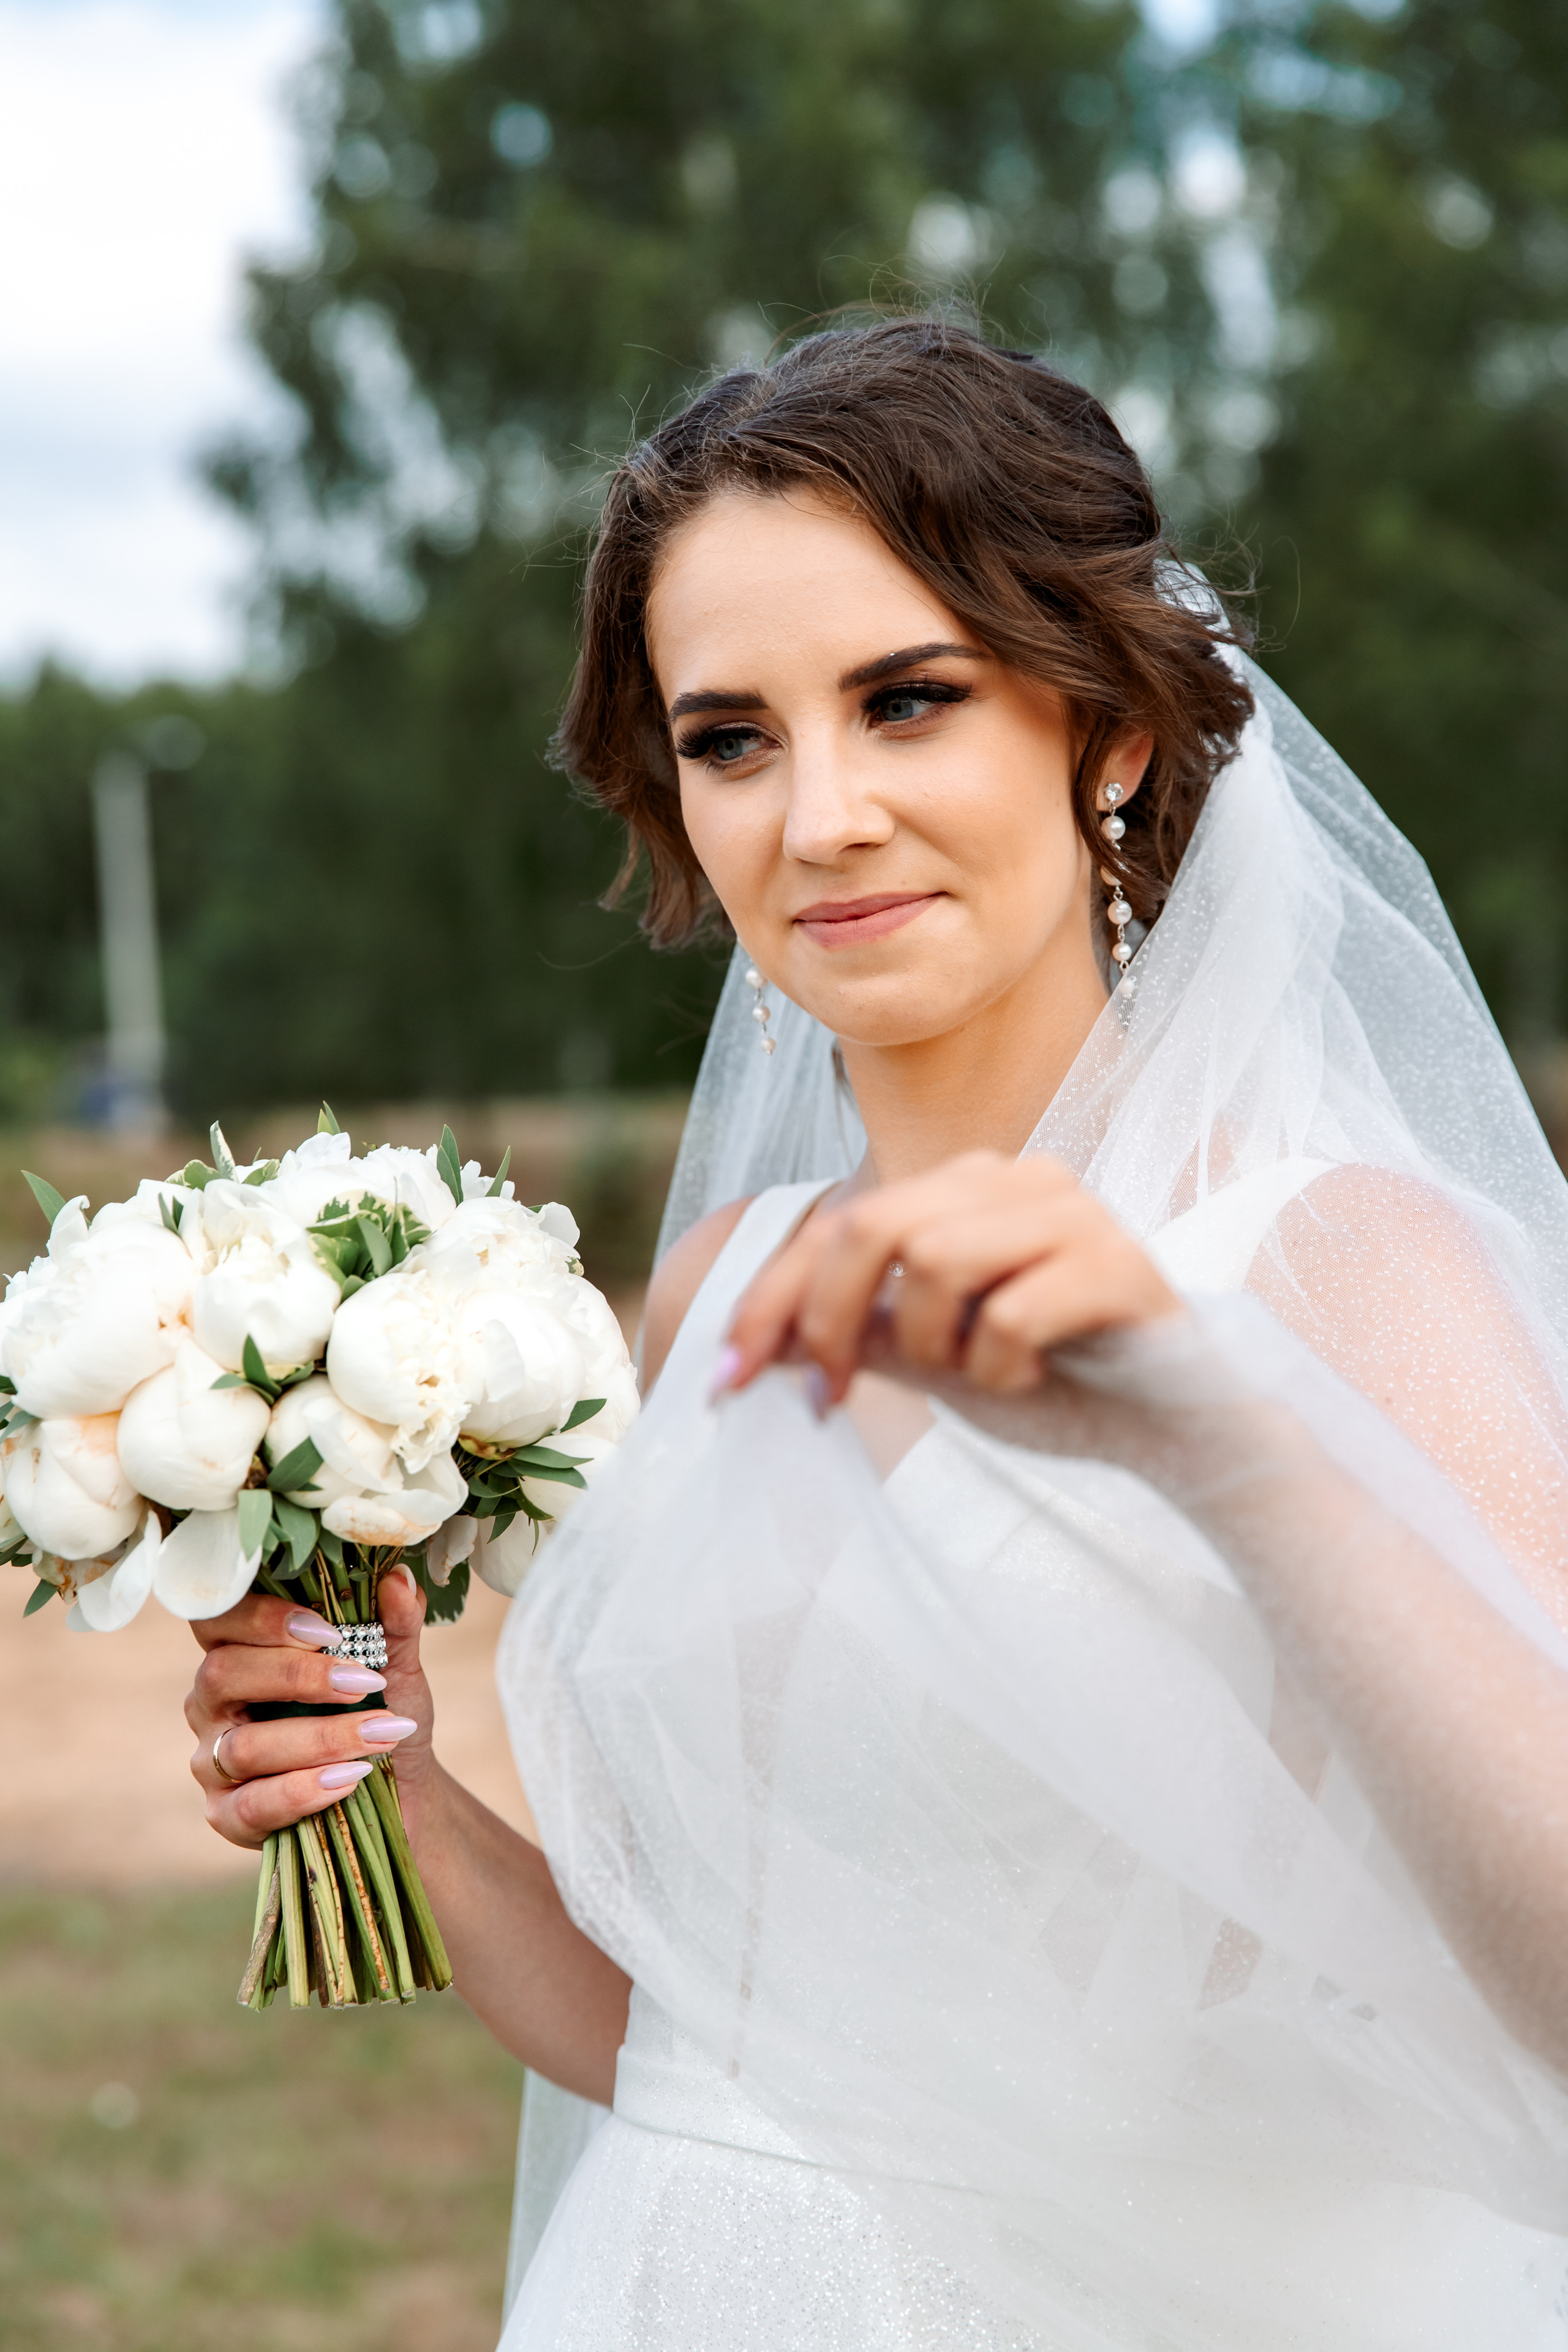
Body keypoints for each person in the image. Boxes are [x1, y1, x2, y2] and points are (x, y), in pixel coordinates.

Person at [185, 320, 1568, 2349]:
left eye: (906, 701)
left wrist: (1218, 1431)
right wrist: (385, 1787)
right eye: (730, 736)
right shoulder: (731, 1279)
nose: (816, 816)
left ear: (1104, 728)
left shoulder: (1336, 1258)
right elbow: (725, 2045)